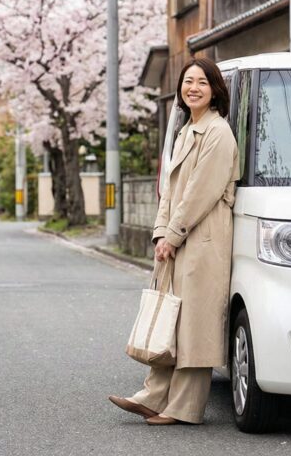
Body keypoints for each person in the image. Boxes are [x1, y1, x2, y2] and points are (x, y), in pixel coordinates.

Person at [109, 58, 240, 426]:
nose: (192, 88)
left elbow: (201, 192)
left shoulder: (218, 132)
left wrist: (174, 233)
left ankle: (183, 408)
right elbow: (169, 191)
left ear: (215, 89)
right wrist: (160, 231)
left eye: (201, 82)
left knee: (194, 324)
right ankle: (152, 395)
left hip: (202, 239)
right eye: (187, 82)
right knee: (171, 317)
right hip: (177, 238)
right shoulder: (186, 130)